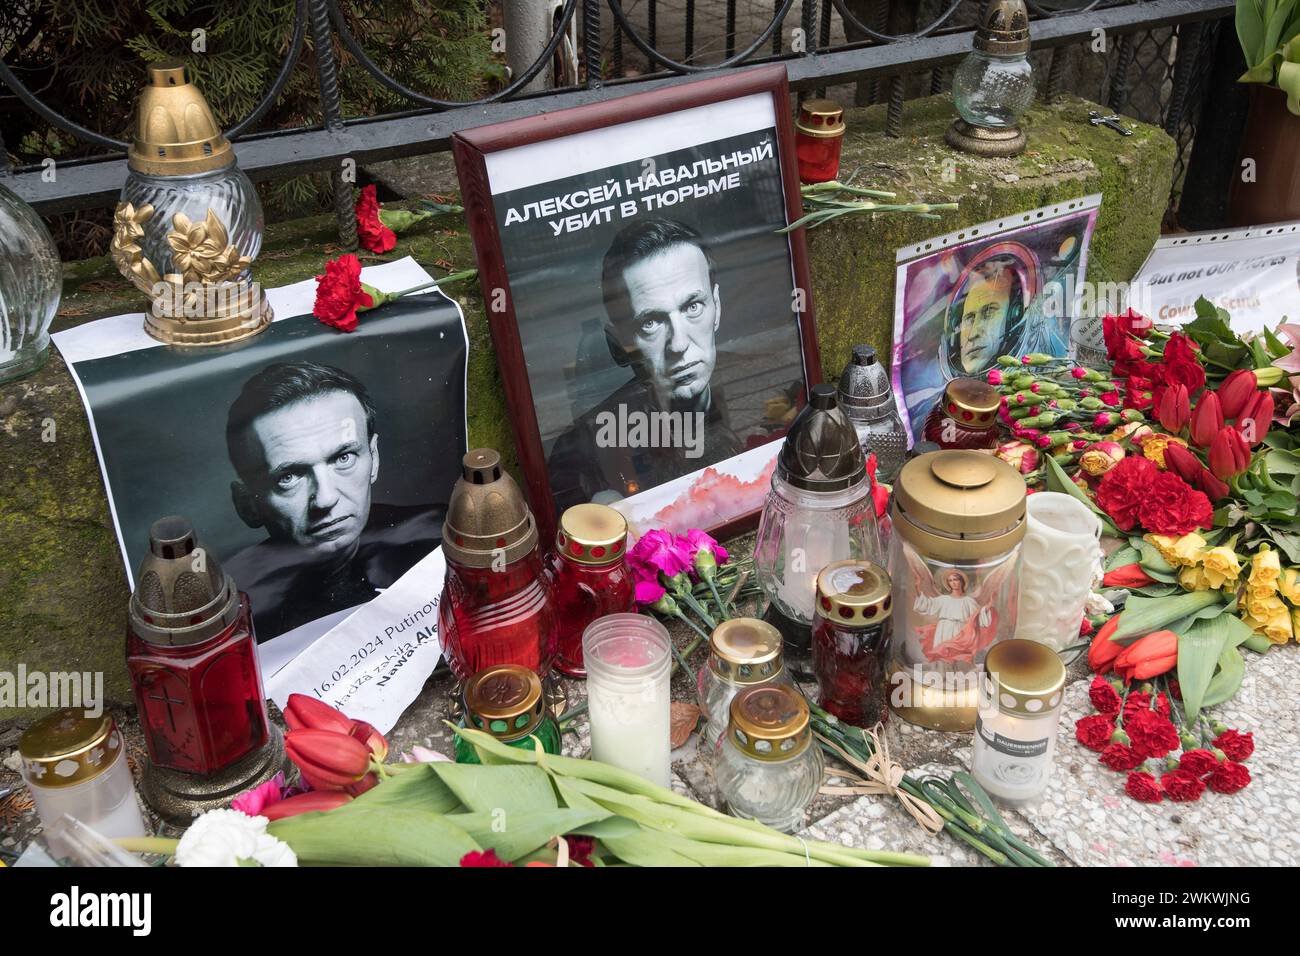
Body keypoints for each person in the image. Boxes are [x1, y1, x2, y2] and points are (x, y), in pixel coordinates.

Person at [224, 361, 443, 640]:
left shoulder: (444, 539)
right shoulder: (226, 612)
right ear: (247, 504)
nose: (325, 499)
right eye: (289, 476)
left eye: (343, 458)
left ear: (373, 458)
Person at [548, 218, 744, 510]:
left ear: (716, 307)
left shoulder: (766, 403)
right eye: (651, 322)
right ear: (617, 344)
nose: (678, 343)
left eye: (693, 307)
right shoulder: (582, 454)